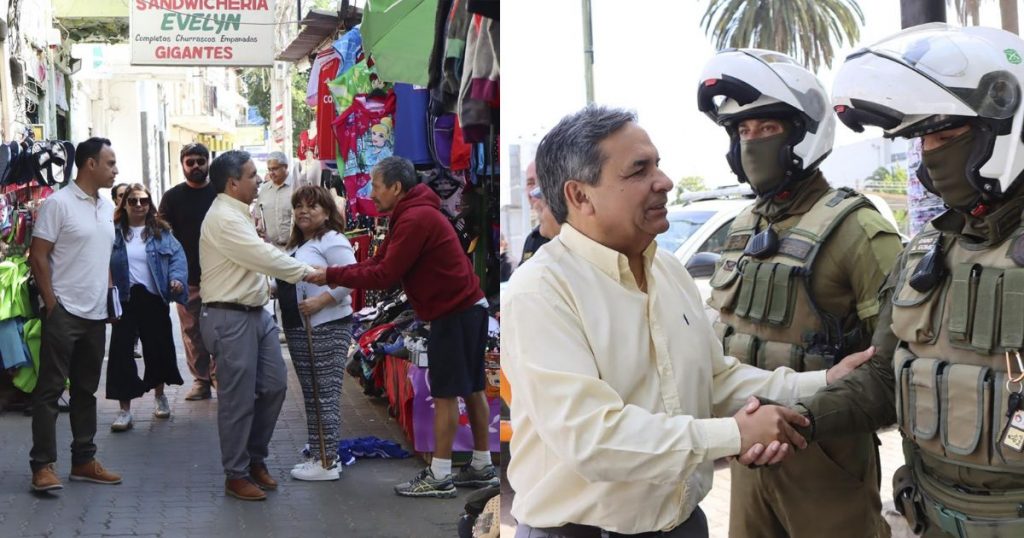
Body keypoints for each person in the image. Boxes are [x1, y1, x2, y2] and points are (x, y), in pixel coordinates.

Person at [502, 106, 876, 537]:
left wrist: (825, 380)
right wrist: (735, 434)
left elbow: (713, 380)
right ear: (580, 196)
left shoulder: (669, 271)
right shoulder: (542, 291)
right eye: (639, 170)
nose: (664, 181)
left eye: (657, 164)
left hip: (683, 525)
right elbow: (594, 440)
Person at [773, 24, 1024, 537]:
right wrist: (798, 418)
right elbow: (886, 379)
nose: (931, 153)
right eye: (922, 138)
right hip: (929, 517)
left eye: (945, 134)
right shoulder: (921, 254)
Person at [695, 49, 903, 538]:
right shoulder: (743, 227)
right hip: (749, 454)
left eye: (765, 129)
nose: (751, 143)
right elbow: (719, 340)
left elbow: (898, 368)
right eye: (741, 132)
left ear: (802, 133)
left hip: (826, 457)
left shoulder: (859, 230)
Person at [307, 156, 498, 498]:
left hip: (453, 313)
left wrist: (329, 274)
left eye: (376, 186)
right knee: (471, 388)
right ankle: (482, 466)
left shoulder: (415, 218)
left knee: (445, 393)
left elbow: (385, 274)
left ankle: (440, 475)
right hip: (466, 308)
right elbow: (382, 263)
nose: (371, 193)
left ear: (396, 187)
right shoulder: (413, 213)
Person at [198, 150, 325, 501]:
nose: (261, 180)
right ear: (232, 182)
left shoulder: (240, 213)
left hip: (255, 313)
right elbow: (262, 257)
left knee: (273, 386)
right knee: (238, 400)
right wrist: (308, 271)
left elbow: (253, 260)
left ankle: (254, 459)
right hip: (229, 316)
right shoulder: (224, 217)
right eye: (254, 175)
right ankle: (236, 473)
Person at [28, 137, 122, 491]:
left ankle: (84, 460)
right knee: (50, 391)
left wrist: (108, 300)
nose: (115, 170)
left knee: (85, 390)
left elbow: (102, 257)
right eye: (110, 163)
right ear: (89, 165)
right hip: (64, 312)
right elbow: (38, 256)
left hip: (96, 315)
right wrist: (52, 304)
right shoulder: (59, 204)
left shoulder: (104, 206)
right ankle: (42, 466)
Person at [276, 185, 356, 481]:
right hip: (300, 328)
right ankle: (319, 451)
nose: (303, 211)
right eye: (299, 206)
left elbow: (351, 277)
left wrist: (322, 300)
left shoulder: (332, 239)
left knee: (324, 395)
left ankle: (327, 461)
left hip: (326, 326)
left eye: (312, 206)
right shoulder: (297, 244)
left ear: (326, 212)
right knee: (311, 395)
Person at [106, 183, 188, 432]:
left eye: (143, 201)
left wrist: (176, 279)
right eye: (132, 201)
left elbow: (178, 258)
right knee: (121, 353)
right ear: (124, 204)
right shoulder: (113, 232)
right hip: (126, 299)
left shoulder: (161, 232)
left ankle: (160, 396)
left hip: (153, 298)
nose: (139, 205)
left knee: (158, 349)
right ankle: (124, 410)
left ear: (150, 204)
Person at [158, 143, 216, 401]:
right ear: (182, 165)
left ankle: (221, 380)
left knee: (220, 330)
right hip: (187, 278)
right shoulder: (172, 197)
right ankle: (202, 381)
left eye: (200, 161)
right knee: (193, 332)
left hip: (220, 275)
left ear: (208, 162)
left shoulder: (220, 193)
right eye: (190, 162)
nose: (195, 166)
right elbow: (160, 236)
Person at [256, 150, 295, 250]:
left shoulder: (297, 186)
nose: (271, 173)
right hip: (272, 248)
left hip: (295, 248)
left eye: (274, 169)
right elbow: (259, 215)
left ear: (285, 167)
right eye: (269, 169)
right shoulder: (264, 189)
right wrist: (260, 225)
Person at [518, 161, 549, 266]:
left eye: (541, 181)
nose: (535, 189)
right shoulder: (531, 239)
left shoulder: (570, 236)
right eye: (530, 183)